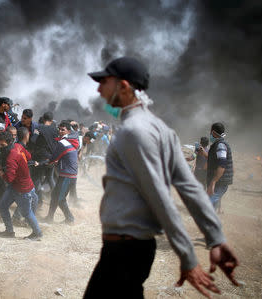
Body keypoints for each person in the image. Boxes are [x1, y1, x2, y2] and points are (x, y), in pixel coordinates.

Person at [84, 56, 239, 298]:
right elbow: (190, 187)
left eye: (104, 82)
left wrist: (188, 257)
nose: (98, 89)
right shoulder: (161, 129)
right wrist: (215, 237)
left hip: (124, 250)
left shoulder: (132, 132)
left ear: (123, 86)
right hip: (132, 248)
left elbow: (159, 197)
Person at [0, 130, 42, 240]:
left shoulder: (11, 158)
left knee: (27, 213)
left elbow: (9, 179)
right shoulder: (17, 146)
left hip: (22, 189)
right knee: (2, 207)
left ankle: (37, 234)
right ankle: (9, 231)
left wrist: (0, 172)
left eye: (2, 145)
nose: (0, 147)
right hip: (16, 186)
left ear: (9, 142)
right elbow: (29, 156)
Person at [44, 121, 78, 224]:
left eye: (63, 129)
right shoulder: (71, 141)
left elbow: (54, 157)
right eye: (59, 129)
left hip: (67, 175)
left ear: (68, 131)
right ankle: (49, 217)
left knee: (60, 198)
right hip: (69, 174)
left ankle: (70, 219)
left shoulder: (63, 142)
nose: (60, 131)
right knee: (55, 195)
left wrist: (45, 161)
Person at [206, 122, 233, 212]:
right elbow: (216, 161)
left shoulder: (220, 145)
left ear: (213, 132)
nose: (210, 134)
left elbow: (222, 164)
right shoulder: (218, 144)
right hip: (218, 181)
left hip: (220, 182)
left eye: (210, 132)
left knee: (208, 205)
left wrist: (213, 182)